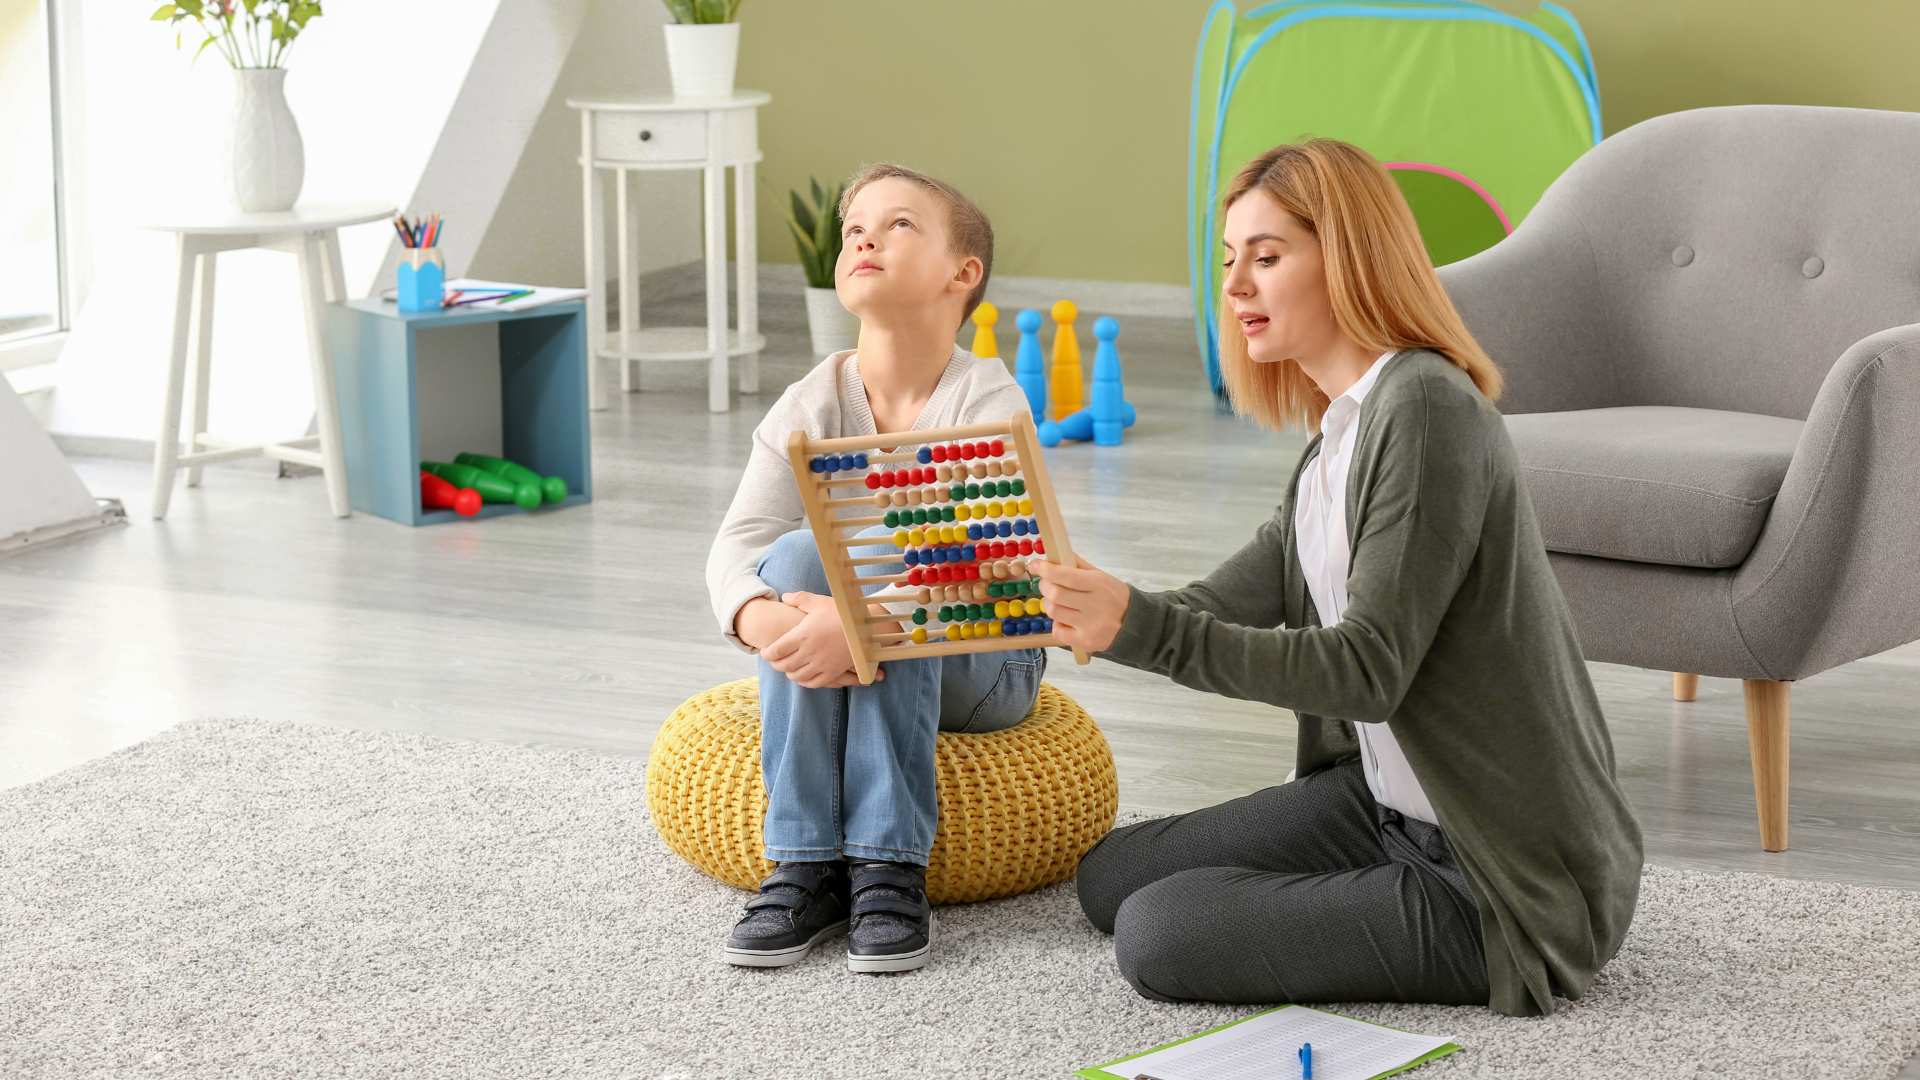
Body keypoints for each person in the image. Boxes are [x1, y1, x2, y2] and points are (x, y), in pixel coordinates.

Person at [1034, 140, 1643, 1017]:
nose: (1235, 286)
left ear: (1351, 257)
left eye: (1268, 257)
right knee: (1110, 879)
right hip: (1384, 808)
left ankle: (1459, 924)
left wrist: (1138, 626)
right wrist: (1078, 603)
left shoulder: (1426, 410)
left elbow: (1366, 670)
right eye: (1229, 260)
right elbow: (1221, 603)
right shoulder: (1339, 434)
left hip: (1500, 877)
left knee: (1157, 933)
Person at [704, 163, 1042, 974]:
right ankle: (805, 865)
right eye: (855, 226)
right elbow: (734, 546)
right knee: (787, 554)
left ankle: (889, 863)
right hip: (853, 629)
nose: (862, 235)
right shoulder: (808, 403)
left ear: (963, 276)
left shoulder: (987, 401)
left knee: (901, 541)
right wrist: (764, 616)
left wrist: (857, 622)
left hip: (987, 657)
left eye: (898, 225)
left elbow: (990, 569)